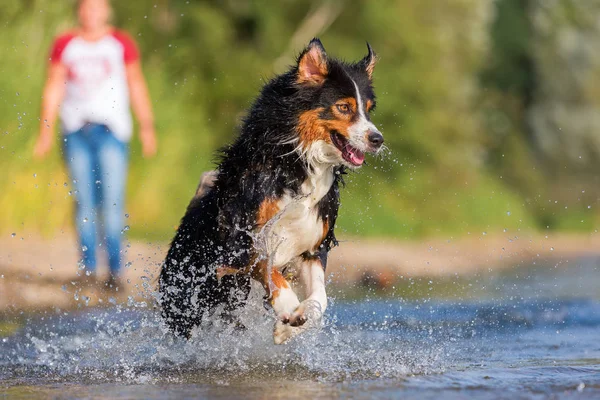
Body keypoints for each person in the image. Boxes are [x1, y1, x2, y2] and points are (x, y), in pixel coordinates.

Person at [33, 0, 157, 291]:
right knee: (84, 201)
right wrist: (45, 132)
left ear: (106, 11)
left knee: (112, 202)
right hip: (76, 130)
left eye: (97, 7)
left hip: (111, 130)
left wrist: (147, 126)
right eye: (86, 8)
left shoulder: (120, 44)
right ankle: (88, 269)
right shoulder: (66, 44)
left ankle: (115, 272)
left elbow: (136, 83)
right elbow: (54, 86)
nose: (91, 13)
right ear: (79, 11)